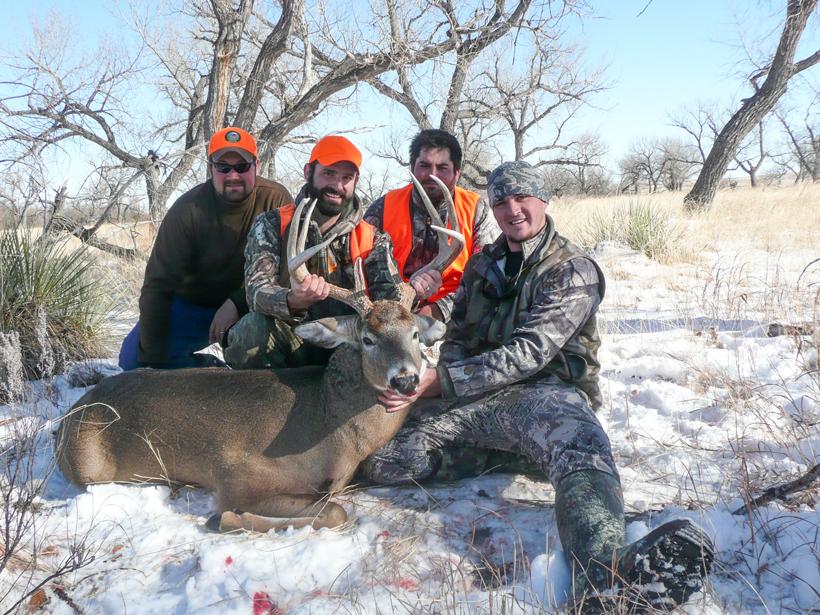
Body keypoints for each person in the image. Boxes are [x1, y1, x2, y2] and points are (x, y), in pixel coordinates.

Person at [361, 161, 714, 611]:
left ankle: (605, 573)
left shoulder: (573, 268)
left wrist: (444, 381)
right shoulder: (482, 265)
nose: (513, 210)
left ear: (543, 200)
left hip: (546, 397)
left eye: (522, 198)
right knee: (385, 456)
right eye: (501, 202)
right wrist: (442, 379)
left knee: (579, 447)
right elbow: (458, 339)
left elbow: (531, 352)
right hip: (478, 403)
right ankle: (514, 456)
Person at [119, 127, 292, 370]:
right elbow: (157, 286)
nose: (233, 175)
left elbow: (286, 270)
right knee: (133, 360)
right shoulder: (187, 210)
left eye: (242, 166)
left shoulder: (276, 200)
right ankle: (207, 372)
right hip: (192, 307)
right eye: (223, 167)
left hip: (250, 306)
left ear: (257, 166)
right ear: (211, 168)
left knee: (263, 348)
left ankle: (246, 381)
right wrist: (151, 364)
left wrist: (237, 303)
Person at [223, 136, 402, 369]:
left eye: (346, 178)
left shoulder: (373, 238)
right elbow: (256, 293)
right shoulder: (272, 224)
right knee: (251, 332)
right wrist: (293, 300)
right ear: (309, 171)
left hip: (352, 342)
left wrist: (415, 290)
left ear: (356, 181)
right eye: (329, 173)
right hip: (293, 338)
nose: (337, 185)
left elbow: (389, 303)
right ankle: (266, 393)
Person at [365, 129, 498, 322]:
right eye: (424, 166)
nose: (432, 175)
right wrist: (407, 298)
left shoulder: (477, 210)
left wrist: (438, 311)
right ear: (412, 168)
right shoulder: (383, 207)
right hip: (394, 315)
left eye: (442, 168)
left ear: (457, 173)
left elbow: (487, 278)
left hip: (457, 316)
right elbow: (366, 269)